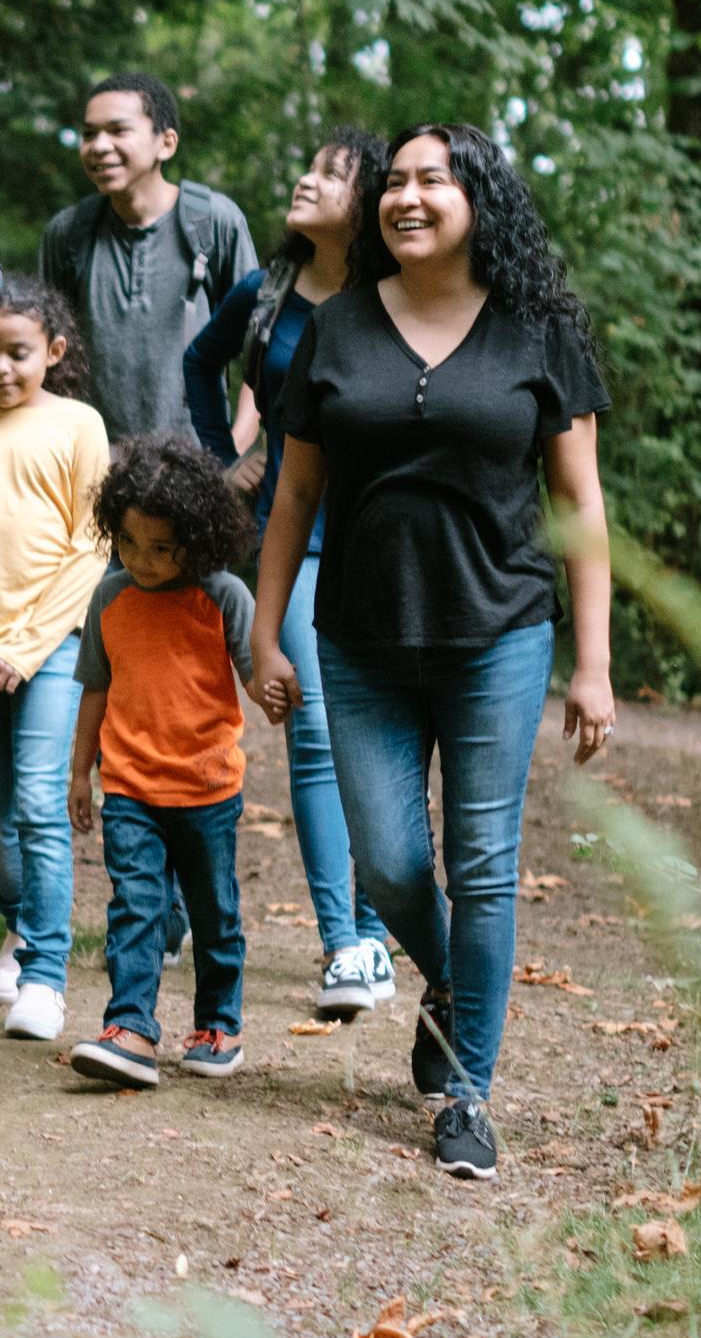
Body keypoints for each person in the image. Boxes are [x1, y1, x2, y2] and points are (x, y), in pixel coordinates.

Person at [251, 122, 615, 1185]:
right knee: (391, 863)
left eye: (433, 181)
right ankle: (455, 983)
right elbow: (296, 495)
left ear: (478, 200)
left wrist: (590, 664)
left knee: (486, 865)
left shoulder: (539, 330)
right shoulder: (337, 327)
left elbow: (581, 506)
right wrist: (266, 632)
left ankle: (468, 1095)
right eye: (394, 184)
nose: (407, 198)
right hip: (359, 636)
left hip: (498, 632)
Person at [182, 127, 400, 1026]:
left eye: (328, 173)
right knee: (310, 723)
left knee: (386, 733)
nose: (305, 180)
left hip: (386, 538)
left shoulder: (397, 294)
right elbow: (202, 363)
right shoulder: (269, 291)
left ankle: (384, 925)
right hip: (292, 532)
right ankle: (344, 938)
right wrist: (217, 461)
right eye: (305, 165)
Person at [0, 272, 109, 1046]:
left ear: (54, 351)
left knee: (40, 806)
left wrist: (28, 649)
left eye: (19, 354)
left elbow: (91, 542)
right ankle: (26, 924)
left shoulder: (78, 425)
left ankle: (45, 978)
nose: (1, 369)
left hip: (52, 648)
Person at [64, 438, 259, 1090]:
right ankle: (131, 1028)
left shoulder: (224, 596)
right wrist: (77, 773)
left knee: (213, 911)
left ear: (197, 540)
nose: (141, 561)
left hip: (206, 787)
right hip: (129, 788)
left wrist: (284, 695)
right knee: (136, 906)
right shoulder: (110, 598)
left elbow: (260, 675)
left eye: (161, 548)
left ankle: (218, 1024)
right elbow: (95, 687)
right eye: (128, 543)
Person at [37, 73, 257, 441]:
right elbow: (40, 356)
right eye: (89, 134)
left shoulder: (214, 222)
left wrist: (231, 453)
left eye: (118, 131)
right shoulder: (68, 233)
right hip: (94, 463)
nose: (98, 146)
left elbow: (261, 347)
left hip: (195, 463)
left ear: (166, 143)